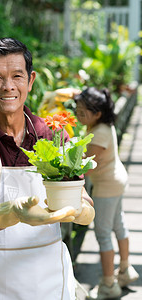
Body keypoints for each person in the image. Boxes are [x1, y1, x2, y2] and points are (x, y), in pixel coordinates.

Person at [0, 37, 95, 300]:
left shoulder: (52, 135)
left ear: (30, 80)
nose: (8, 87)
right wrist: (15, 211)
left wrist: (80, 210)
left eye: (17, 76)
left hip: (48, 275)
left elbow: (83, 198)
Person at [74, 87, 139, 300]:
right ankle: (125, 270)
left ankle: (109, 284)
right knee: (118, 224)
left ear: (97, 113)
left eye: (82, 112)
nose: (77, 114)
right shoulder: (102, 124)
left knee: (102, 234)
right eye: (78, 109)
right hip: (116, 181)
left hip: (107, 187)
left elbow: (87, 167)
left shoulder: (99, 133)